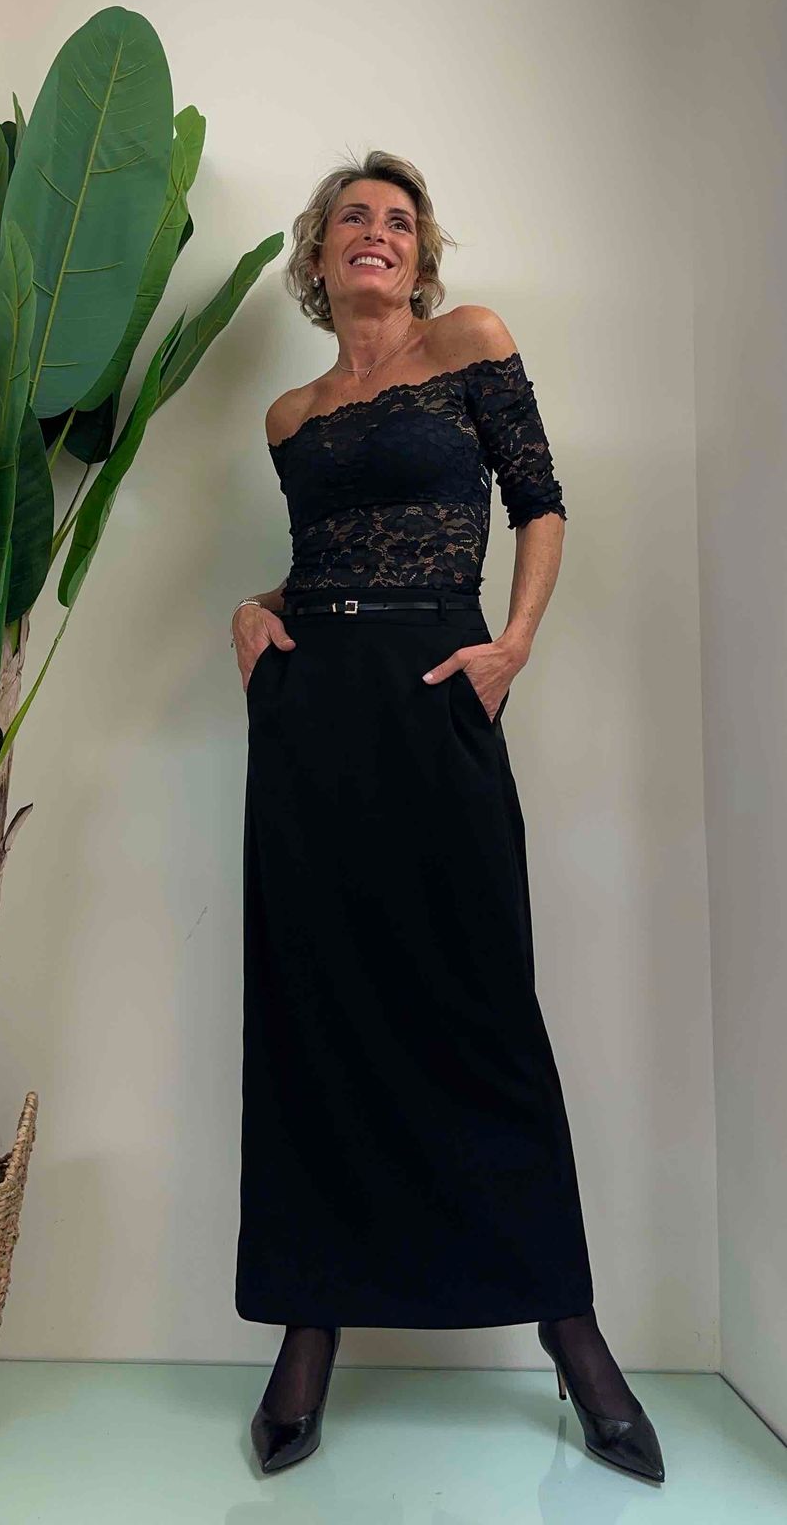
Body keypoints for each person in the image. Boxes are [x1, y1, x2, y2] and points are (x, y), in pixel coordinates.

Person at [230, 151, 665, 1485]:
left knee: (480, 1003)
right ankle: (309, 1327)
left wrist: (513, 644)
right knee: (311, 1004)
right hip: (312, 713)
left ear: (420, 257)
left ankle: (570, 1332)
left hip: (437, 688)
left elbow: (538, 504)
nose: (375, 233)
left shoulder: (471, 342)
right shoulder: (289, 415)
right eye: (352, 219)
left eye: (398, 222)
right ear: (317, 257)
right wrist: (255, 614)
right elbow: (323, 558)